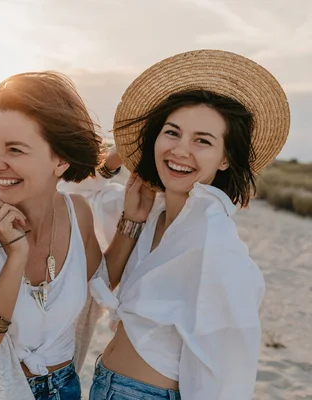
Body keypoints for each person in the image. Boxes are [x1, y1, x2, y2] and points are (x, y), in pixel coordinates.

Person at [61, 49, 290, 399]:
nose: (181, 150)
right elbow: (68, 195)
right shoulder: (150, 210)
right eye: (172, 133)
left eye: (202, 141)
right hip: (105, 385)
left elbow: (227, 376)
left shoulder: (216, 244)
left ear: (226, 158)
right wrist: (114, 159)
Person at [0, 71, 155, 400]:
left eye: (15, 150)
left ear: (60, 160)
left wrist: (132, 220)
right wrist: (16, 257)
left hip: (64, 387)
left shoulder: (77, 211)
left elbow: (98, 282)